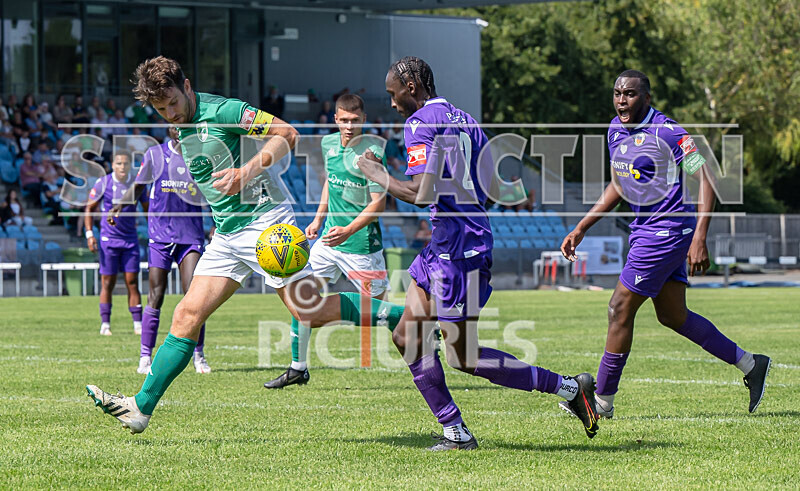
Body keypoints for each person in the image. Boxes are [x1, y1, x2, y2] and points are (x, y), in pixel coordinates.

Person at [86, 56, 405, 435]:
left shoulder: (225, 110)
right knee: (186, 315)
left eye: (173, 102)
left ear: (187, 87)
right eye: (161, 109)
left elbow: (287, 134)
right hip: (227, 234)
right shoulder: (181, 125)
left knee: (311, 311)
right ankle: (141, 408)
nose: (170, 113)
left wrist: (246, 171)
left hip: (267, 225)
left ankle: (404, 315)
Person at [357, 56, 599, 451]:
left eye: (393, 93)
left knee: (461, 356)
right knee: (406, 334)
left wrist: (376, 173)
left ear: (412, 87)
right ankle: (456, 431)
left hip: (458, 253)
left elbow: (421, 193)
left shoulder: (419, 123)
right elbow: (489, 187)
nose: (393, 102)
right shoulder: (467, 120)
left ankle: (569, 388)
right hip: (448, 244)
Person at [559, 70, 770, 420]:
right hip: (645, 229)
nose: (621, 100)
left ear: (647, 98)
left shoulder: (669, 132)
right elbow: (619, 185)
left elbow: (706, 179)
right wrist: (583, 226)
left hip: (667, 230)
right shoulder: (615, 130)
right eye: (617, 93)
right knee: (673, 315)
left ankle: (601, 403)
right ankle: (751, 364)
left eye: (629, 94)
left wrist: (700, 234)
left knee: (618, 309)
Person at [264, 94, 390, 389]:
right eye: (343, 120)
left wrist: (348, 230)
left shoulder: (372, 152)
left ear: (364, 120)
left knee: (379, 314)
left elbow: (378, 205)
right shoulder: (328, 144)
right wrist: (319, 220)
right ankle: (298, 367)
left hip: (362, 246)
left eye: (354, 121)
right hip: (328, 242)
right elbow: (330, 185)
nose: (348, 126)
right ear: (335, 119)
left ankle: (424, 326)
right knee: (303, 296)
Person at [111, 126, 212, 375]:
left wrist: (217, 224)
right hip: (160, 236)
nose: (179, 129)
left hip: (190, 235)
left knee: (195, 296)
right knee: (156, 294)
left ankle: (198, 354)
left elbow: (212, 194)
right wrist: (119, 207)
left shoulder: (200, 158)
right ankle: (145, 356)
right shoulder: (155, 155)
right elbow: (137, 188)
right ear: (168, 129)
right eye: (174, 125)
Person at [84, 152, 148, 336]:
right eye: (119, 163)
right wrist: (90, 234)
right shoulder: (103, 183)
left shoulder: (137, 185)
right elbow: (89, 207)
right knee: (108, 282)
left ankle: (137, 324)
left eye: (125, 163)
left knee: (132, 281)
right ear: (112, 165)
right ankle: (105, 323)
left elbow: (147, 209)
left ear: (130, 166)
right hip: (108, 241)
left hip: (130, 240)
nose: (122, 166)